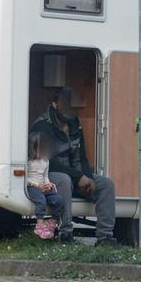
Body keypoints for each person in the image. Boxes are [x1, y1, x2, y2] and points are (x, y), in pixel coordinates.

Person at [31, 86, 117, 246]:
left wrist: (88, 179)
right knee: (64, 180)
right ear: (55, 105)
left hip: (75, 175)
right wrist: (78, 177)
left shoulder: (75, 125)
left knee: (106, 184)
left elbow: (81, 157)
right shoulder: (41, 126)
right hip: (47, 174)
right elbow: (48, 161)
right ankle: (65, 234)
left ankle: (105, 237)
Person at [26, 133, 66, 239]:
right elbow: (25, 178)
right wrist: (37, 185)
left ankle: (52, 222)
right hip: (32, 186)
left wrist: (48, 184)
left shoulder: (45, 161)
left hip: (42, 185)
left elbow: (45, 175)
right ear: (34, 147)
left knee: (59, 200)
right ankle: (39, 225)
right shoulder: (28, 161)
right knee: (41, 200)